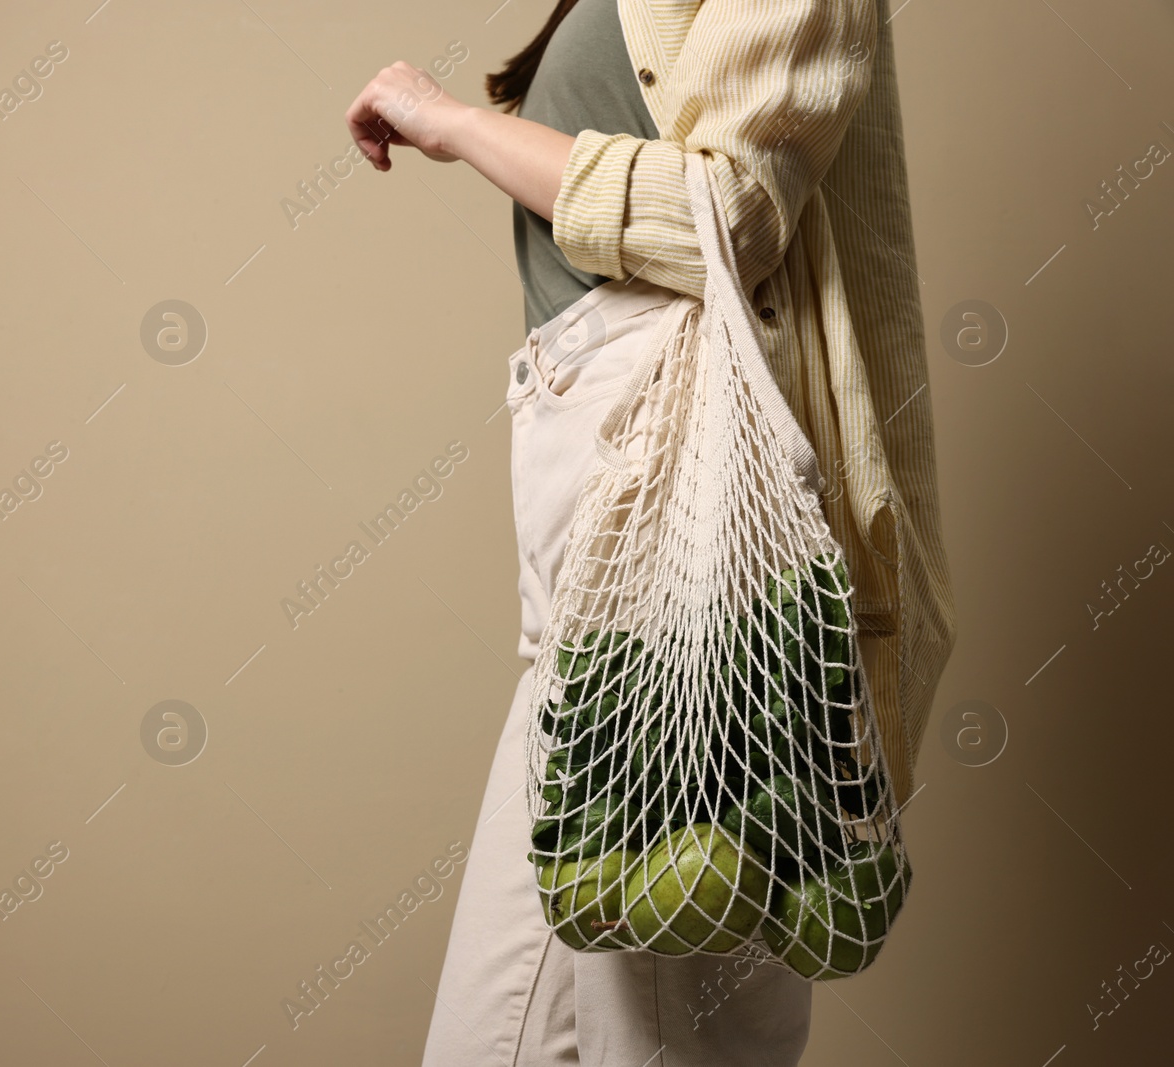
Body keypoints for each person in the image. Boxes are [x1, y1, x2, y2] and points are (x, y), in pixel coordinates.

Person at [345, 0, 957, 1063]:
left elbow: (725, 211)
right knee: (501, 1034)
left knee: (673, 1022)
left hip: (691, 508)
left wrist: (447, 122)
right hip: (602, 509)